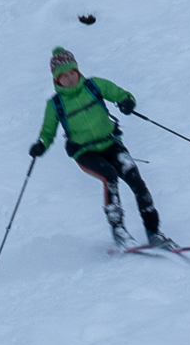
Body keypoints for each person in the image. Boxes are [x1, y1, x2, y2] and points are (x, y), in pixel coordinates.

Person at [29, 47, 166, 248]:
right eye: (63, 76)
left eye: (72, 73)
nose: (69, 79)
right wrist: (41, 145)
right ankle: (119, 232)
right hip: (85, 152)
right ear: (56, 80)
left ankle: (154, 233)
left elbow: (120, 94)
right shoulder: (55, 104)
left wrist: (127, 102)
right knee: (109, 176)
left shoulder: (94, 86)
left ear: (77, 71)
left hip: (111, 143)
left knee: (136, 181)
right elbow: (47, 132)